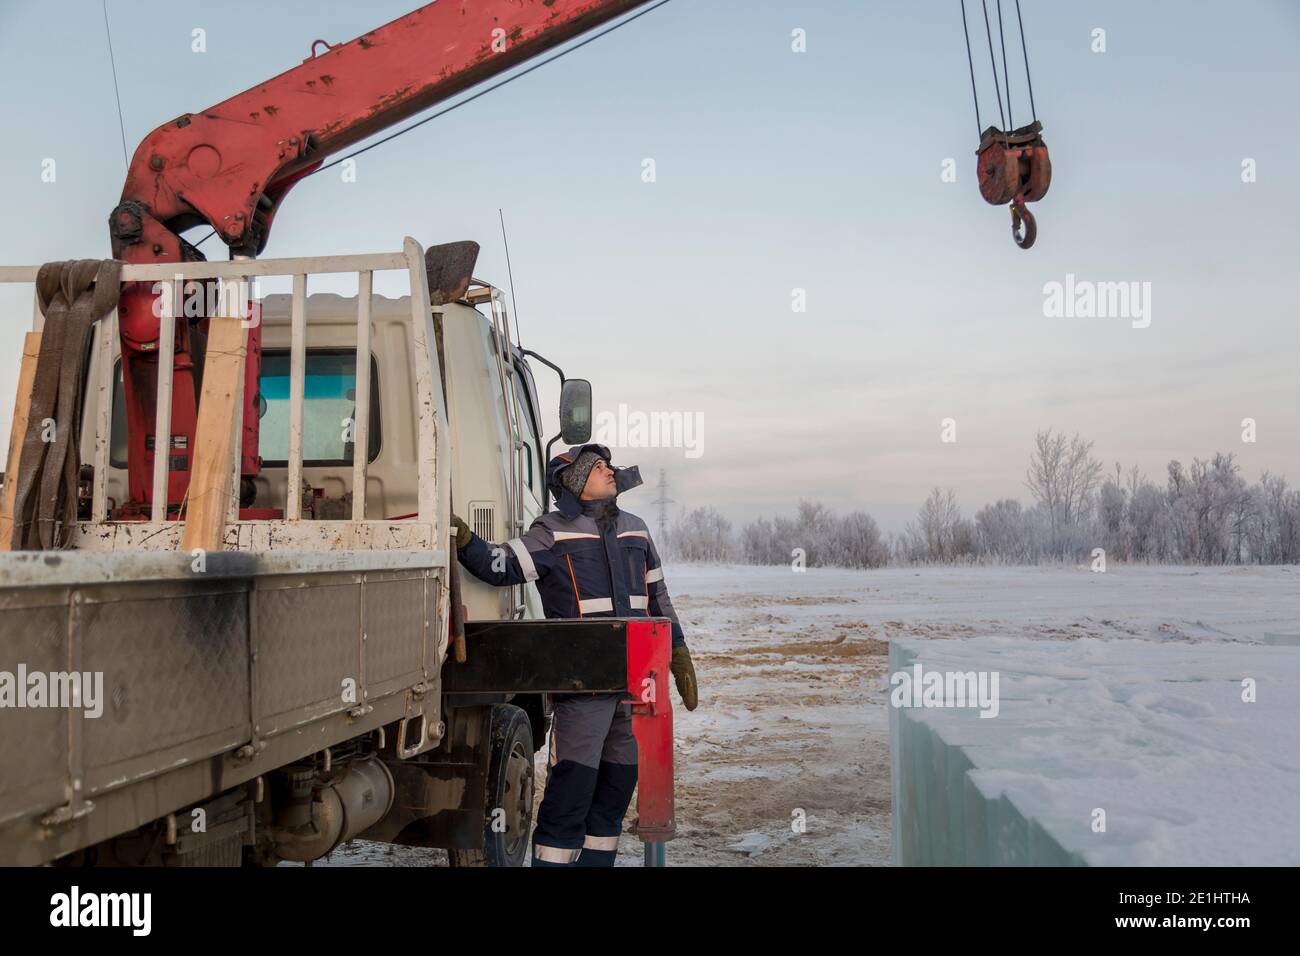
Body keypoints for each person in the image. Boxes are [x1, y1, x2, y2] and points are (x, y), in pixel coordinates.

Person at [451, 443, 698, 866]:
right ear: (573, 482)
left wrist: (678, 650)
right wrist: (467, 541)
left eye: (606, 464)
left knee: (615, 790)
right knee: (572, 791)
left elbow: (659, 597)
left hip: (635, 684)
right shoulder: (551, 531)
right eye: (595, 466)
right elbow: (501, 566)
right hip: (583, 686)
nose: (607, 469)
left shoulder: (636, 528)